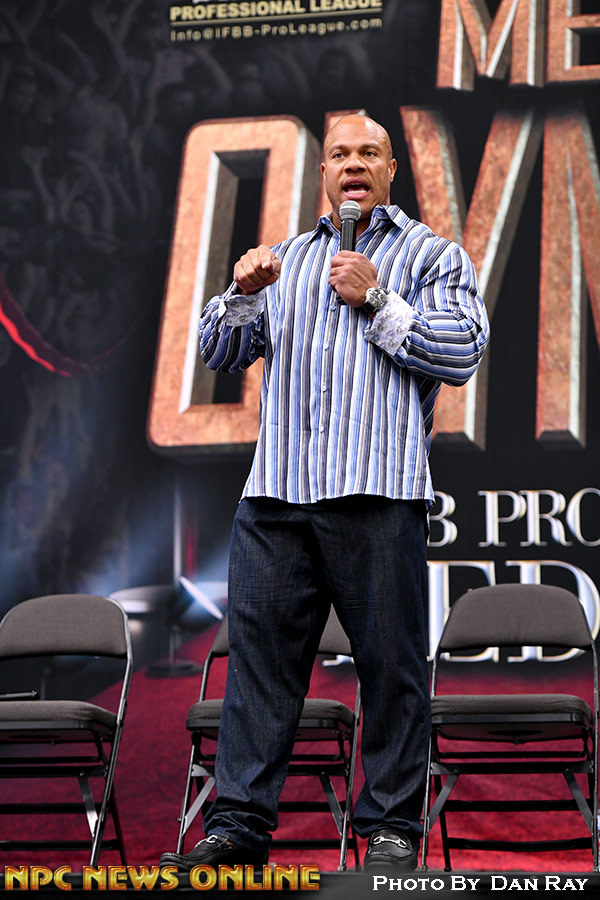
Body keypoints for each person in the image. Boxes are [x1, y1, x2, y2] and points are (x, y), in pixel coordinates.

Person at [160, 115, 490, 872]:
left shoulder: (432, 255)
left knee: (391, 669)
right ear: (323, 171)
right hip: (277, 497)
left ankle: (391, 831)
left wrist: (378, 301)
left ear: (392, 169)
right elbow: (217, 352)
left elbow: (462, 352)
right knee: (259, 671)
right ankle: (238, 827)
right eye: (339, 153)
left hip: (377, 493)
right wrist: (240, 294)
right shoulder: (285, 259)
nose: (353, 164)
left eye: (368, 152)